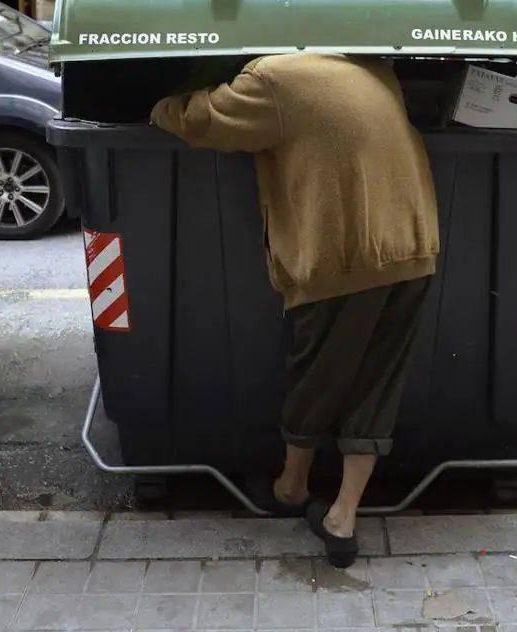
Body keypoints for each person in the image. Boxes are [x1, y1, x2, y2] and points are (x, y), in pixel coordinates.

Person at [150, 53, 439, 568]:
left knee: (317, 375)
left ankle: (291, 487)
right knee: (379, 383)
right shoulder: (373, 70)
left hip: (346, 254)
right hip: (413, 247)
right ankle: (343, 517)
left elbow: (203, 121)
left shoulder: (272, 79)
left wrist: (157, 108)